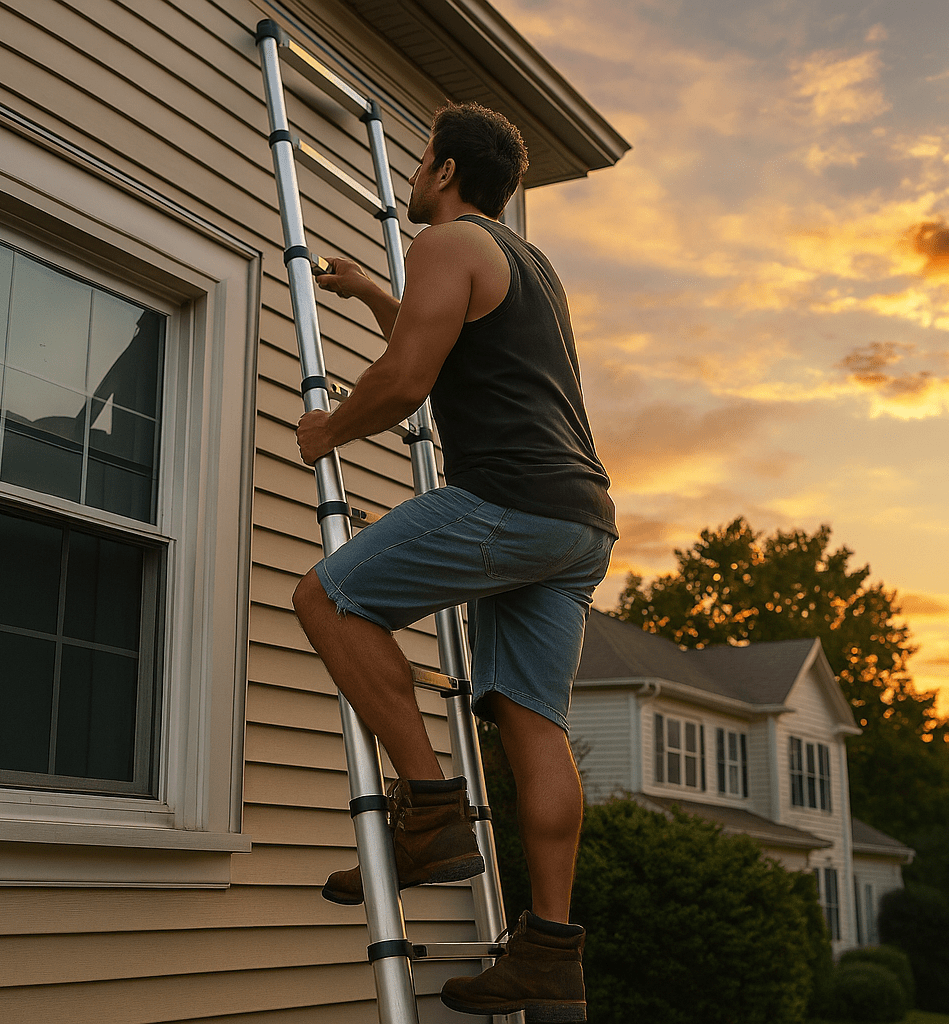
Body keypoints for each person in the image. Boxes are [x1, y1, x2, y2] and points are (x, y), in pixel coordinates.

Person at [291, 101, 616, 1022]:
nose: (414, 171)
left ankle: (430, 815)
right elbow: (437, 340)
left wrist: (328, 431)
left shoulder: (443, 242)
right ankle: (550, 952)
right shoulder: (526, 262)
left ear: (444, 172)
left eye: (422, 157)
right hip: (579, 521)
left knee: (326, 599)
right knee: (532, 721)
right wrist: (373, 294)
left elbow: (406, 379)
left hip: (510, 497)